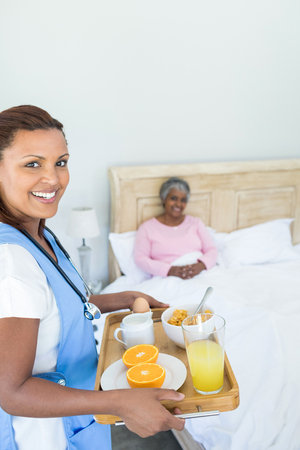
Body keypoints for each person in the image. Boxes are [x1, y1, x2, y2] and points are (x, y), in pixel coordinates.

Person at [0, 105, 185, 450]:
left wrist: (116, 300)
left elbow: (48, 307)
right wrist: (116, 402)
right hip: (45, 436)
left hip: (77, 417)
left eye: (61, 162)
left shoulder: (38, 233)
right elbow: (12, 392)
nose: (53, 179)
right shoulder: (12, 261)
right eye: (32, 164)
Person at [134, 177, 218, 279]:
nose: (178, 204)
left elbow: (211, 250)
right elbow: (140, 259)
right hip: (167, 278)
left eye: (183, 200)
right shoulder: (147, 228)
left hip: (200, 274)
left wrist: (201, 266)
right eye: (173, 198)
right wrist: (169, 270)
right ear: (163, 198)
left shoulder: (195, 223)